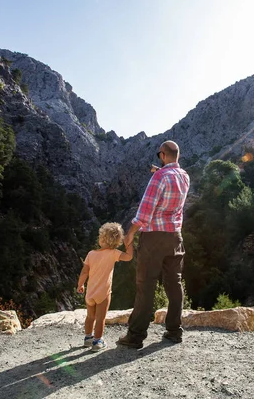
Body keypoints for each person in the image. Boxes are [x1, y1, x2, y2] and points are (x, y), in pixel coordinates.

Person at [117, 140, 190, 349]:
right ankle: (174, 331)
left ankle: (135, 336)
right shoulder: (184, 176)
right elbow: (171, 180)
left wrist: (130, 233)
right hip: (175, 236)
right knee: (174, 284)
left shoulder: (159, 177)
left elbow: (145, 211)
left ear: (163, 154)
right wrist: (159, 170)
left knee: (145, 285)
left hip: (153, 238)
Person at [77, 222, 133, 351]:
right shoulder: (113, 253)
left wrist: (80, 285)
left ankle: (87, 338)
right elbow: (129, 257)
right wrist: (129, 244)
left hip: (90, 292)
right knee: (100, 319)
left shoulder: (91, 254)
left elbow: (84, 272)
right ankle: (97, 342)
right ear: (117, 240)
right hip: (103, 293)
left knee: (90, 316)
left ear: (101, 237)